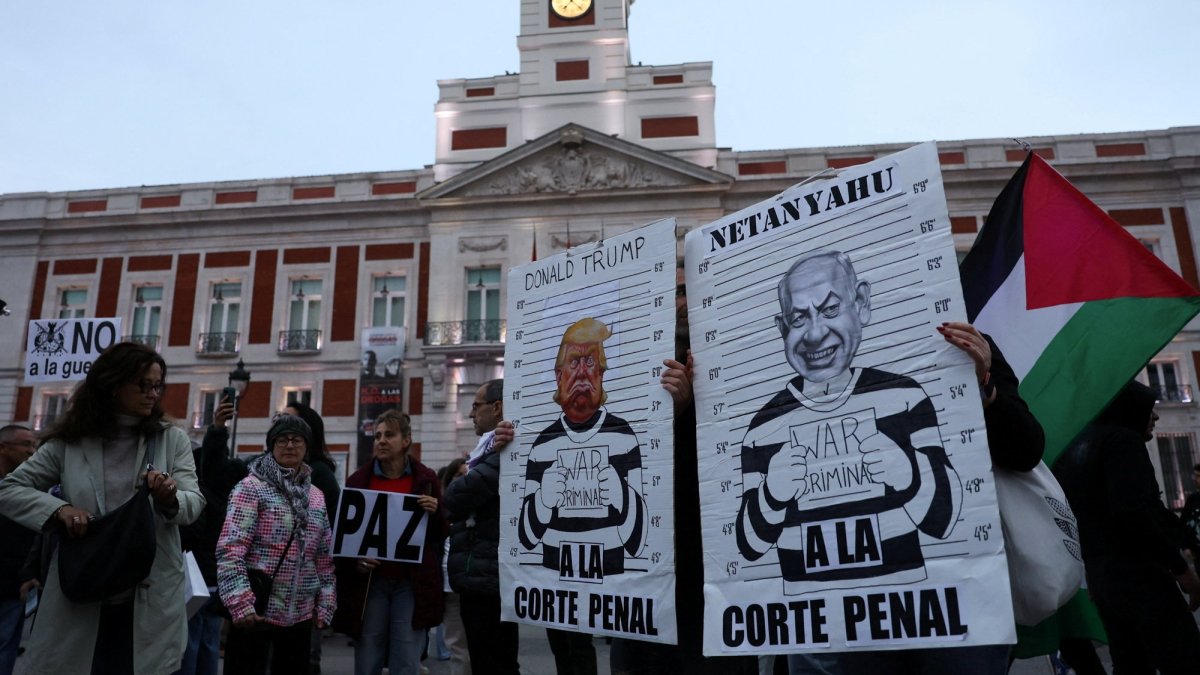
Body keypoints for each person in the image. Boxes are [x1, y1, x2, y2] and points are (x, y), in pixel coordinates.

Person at [736, 251, 962, 594]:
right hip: (808, 615)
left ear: (861, 304)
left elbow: (945, 521)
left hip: (905, 605)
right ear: (781, 328)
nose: (815, 334)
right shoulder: (761, 429)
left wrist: (906, 472)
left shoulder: (905, 397)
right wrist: (771, 496)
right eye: (798, 318)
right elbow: (748, 546)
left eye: (830, 309)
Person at [834, 321, 1044, 673]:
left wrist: (983, 384)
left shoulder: (965, 344)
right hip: (854, 608)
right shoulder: (819, 366)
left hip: (959, 599)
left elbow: (1026, 451)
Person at [0, 341, 204, 675]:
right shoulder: (70, 441)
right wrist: (60, 510)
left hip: (149, 593)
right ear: (113, 384)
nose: (153, 394)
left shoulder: (171, 439)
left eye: (158, 386)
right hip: (84, 584)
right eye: (144, 385)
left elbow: (194, 501)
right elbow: (9, 489)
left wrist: (170, 497)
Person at [1053, 381, 1200, 673]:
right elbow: (1135, 513)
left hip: (1101, 577)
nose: (1155, 416)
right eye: (1148, 408)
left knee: (1130, 661)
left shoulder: (1076, 448)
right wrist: (1182, 569)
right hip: (1139, 573)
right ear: (1129, 410)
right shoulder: (1122, 442)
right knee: (1183, 659)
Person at [217, 414, 337, 675]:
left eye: (297, 440)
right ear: (271, 446)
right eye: (282, 440)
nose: (289, 445)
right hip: (256, 613)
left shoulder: (316, 496)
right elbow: (230, 550)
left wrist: (326, 602)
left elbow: (324, 558)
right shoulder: (251, 488)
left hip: (299, 616)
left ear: (307, 447)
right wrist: (240, 603)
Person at [335, 410, 445, 675]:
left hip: (411, 583)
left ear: (406, 440)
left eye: (389, 435)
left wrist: (436, 511)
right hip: (371, 583)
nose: (381, 441)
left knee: (406, 655)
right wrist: (356, 561)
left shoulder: (425, 479)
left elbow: (440, 533)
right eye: (378, 436)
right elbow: (344, 537)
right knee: (368, 653)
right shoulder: (358, 481)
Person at [444, 380, 520, 675]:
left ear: (497, 407)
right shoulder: (489, 450)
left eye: (476, 406)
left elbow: (454, 497)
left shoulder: (504, 450)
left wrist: (457, 487)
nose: (470, 413)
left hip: (487, 578)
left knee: (493, 660)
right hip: (481, 574)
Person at [175, 396, 244, 675]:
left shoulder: (199, 496)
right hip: (216, 578)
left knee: (191, 640)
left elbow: (191, 536)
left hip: (196, 577)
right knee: (209, 641)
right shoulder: (227, 495)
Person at [283, 400, 343, 674]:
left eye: (289, 421)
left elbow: (331, 536)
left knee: (305, 658)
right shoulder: (264, 472)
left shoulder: (320, 475)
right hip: (276, 584)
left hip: (307, 584)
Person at [0, 425, 38, 675]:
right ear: (3, 447)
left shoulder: (30, 487)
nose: (31, 451)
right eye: (25, 444)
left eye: (33, 445)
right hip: (9, 580)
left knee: (7, 646)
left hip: (16, 583)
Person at [436, 458, 472, 675]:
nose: (465, 479)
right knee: (457, 648)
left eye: (468, 474)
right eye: (459, 475)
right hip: (450, 587)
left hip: (477, 587)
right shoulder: (440, 511)